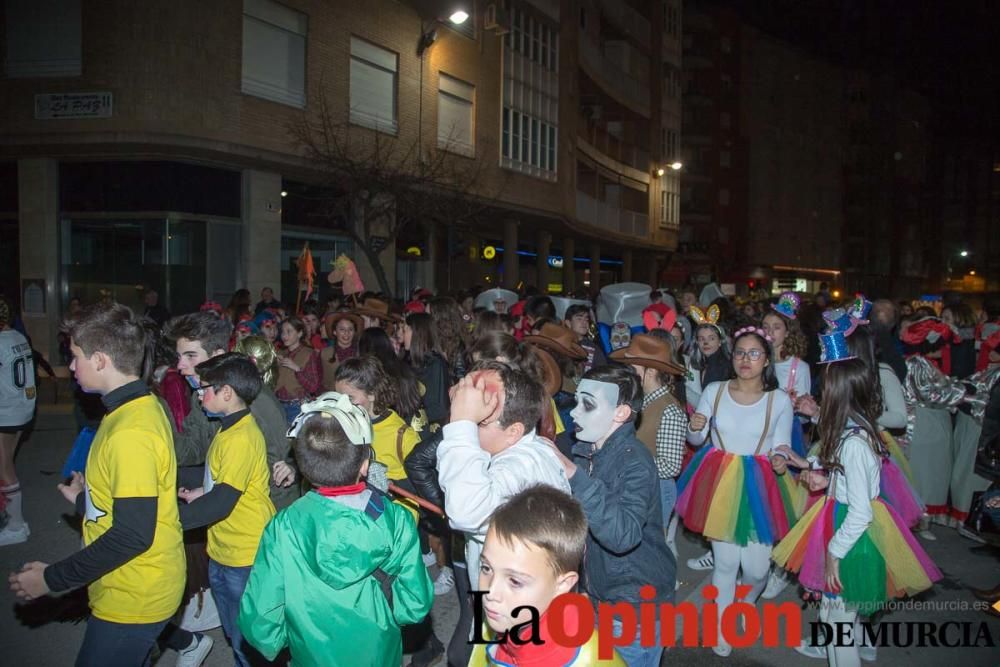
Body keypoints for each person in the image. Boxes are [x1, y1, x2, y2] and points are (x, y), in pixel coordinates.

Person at [9, 302, 185, 666]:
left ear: (101, 360)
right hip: (134, 583)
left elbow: (133, 535)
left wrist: (51, 579)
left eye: (75, 356)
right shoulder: (138, 403)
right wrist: (85, 502)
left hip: (135, 594)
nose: (71, 366)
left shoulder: (130, 431)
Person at [239, 392, 434, 666]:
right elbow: (414, 604)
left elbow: (261, 619)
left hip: (311, 655)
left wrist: (288, 637)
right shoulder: (395, 519)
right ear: (366, 464)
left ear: (304, 468)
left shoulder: (283, 526)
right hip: (378, 652)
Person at [773, 352, 942, 666]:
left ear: (839, 395)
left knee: (839, 622)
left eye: (826, 390)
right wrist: (820, 476)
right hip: (842, 524)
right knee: (831, 614)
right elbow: (848, 477)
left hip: (852, 539)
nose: (822, 396)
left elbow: (861, 511)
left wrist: (834, 553)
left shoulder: (854, 443)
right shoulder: (852, 434)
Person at [435, 361, 571, 666]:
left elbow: (466, 510)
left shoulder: (520, 468)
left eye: (480, 423)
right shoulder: (527, 449)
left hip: (523, 618)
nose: (471, 425)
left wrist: (460, 424)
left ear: (513, 432)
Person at [676, 327, 796, 657]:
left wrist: (780, 457)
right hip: (719, 480)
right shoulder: (714, 390)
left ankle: (747, 598)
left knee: (757, 570)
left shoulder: (780, 400)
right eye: (740, 352)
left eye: (754, 353)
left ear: (766, 360)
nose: (746, 359)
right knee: (726, 564)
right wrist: (695, 427)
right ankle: (722, 626)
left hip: (760, 482)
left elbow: (782, 443)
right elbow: (697, 439)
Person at [554, 365, 677, 667]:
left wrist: (575, 478)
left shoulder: (635, 461)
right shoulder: (586, 452)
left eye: (588, 404)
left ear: (621, 413)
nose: (573, 413)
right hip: (601, 598)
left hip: (635, 609)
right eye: (577, 401)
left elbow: (623, 535)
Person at [175, 353, 274, 667]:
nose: (199, 395)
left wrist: (167, 521)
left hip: (244, 551)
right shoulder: (227, 429)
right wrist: (199, 489)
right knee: (235, 630)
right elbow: (224, 482)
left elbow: (221, 503)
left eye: (204, 389)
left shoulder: (241, 438)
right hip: (224, 546)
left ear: (226, 393)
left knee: (248, 634)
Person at [469, 486, 626, 666]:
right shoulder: (502, 619)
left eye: (514, 581)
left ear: (562, 584)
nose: (490, 593)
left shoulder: (589, 660)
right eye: (486, 568)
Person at [163, 312, 299, 510]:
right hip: (230, 505)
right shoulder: (200, 395)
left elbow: (277, 469)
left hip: (268, 510)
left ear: (217, 356)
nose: (180, 366)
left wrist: (215, 492)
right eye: (179, 357)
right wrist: (159, 423)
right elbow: (193, 449)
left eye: (191, 356)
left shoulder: (254, 398)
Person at [610, 334, 688, 538]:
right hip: (634, 482)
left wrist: (628, 459)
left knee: (650, 550)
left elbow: (670, 465)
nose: (628, 373)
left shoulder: (669, 410)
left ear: (651, 371)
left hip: (656, 490)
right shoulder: (638, 399)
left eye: (633, 369)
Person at [0, 296, 37, 546]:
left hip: (6, 410)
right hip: (23, 408)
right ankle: (10, 518)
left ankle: (16, 526)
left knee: (4, 468)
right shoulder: (18, 337)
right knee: (6, 465)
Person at [401, 312, 451, 427]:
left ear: (417, 333)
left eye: (406, 330)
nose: (403, 335)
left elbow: (440, 407)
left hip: (429, 430)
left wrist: (410, 420)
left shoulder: (435, 363)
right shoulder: (406, 360)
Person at [275, 317, 322, 423]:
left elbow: (313, 386)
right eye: (282, 332)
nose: (284, 336)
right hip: (278, 405)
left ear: (300, 333)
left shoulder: (309, 353)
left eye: (289, 331)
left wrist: (297, 369)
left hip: (297, 406)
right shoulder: (280, 353)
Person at [320, 310, 362, 390]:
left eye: (350, 329)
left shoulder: (360, 353)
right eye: (342, 329)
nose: (346, 333)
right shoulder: (325, 353)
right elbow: (320, 381)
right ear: (335, 332)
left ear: (354, 332)